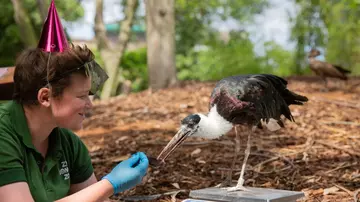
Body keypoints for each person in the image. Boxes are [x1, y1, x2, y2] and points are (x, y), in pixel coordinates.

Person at [0, 1, 148, 201]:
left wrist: (108, 186)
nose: (90, 104)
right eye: (81, 96)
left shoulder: (69, 144)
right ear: (45, 97)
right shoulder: (3, 134)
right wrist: (109, 184)